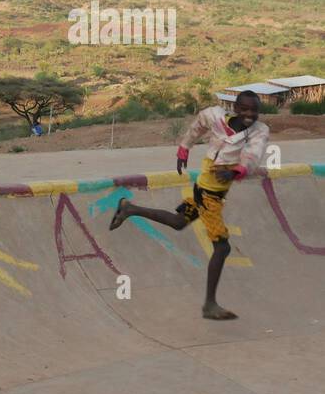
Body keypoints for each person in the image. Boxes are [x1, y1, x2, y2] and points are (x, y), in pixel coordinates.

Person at [109, 91, 269, 320]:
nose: (250, 115)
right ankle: (209, 305)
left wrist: (238, 170)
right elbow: (197, 126)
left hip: (214, 189)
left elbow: (255, 153)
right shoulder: (216, 117)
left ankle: (129, 208)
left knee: (178, 222)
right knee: (222, 248)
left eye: (254, 110)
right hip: (208, 193)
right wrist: (184, 147)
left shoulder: (259, 131)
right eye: (245, 109)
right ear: (235, 107)